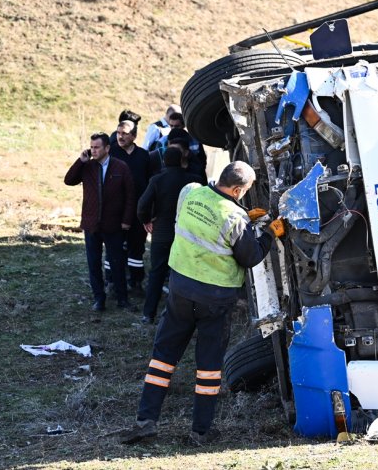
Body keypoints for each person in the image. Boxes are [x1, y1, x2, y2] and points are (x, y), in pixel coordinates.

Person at [120, 161, 285, 445]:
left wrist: (245, 215)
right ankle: (201, 431)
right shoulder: (234, 218)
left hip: (180, 292)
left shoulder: (192, 194)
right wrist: (269, 233)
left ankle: (145, 421)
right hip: (215, 301)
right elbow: (250, 257)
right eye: (243, 191)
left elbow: (210, 220)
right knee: (208, 366)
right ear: (236, 189)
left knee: (163, 358)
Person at [64, 132, 134, 311]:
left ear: (107, 148)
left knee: (117, 262)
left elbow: (130, 196)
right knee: (93, 263)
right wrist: (80, 161)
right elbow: (69, 180)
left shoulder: (121, 167)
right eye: (92, 147)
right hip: (91, 223)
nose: (93, 150)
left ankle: (122, 298)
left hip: (114, 224)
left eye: (97, 147)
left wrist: (126, 220)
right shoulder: (87, 166)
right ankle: (99, 299)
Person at [136, 146, 203, 325]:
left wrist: (146, 220)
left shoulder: (157, 180)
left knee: (156, 273)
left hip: (162, 234)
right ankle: (186, 315)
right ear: (182, 160)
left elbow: (142, 205)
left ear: (164, 161)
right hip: (187, 235)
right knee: (186, 275)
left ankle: (148, 314)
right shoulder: (194, 180)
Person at [110, 120, 152, 296]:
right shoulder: (111, 152)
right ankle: (111, 282)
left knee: (136, 247)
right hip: (115, 211)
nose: (120, 136)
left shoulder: (143, 156)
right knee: (114, 247)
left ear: (134, 136)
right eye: (118, 132)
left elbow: (150, 183)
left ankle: (135, 282)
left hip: (137, 211)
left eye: (125, 133)